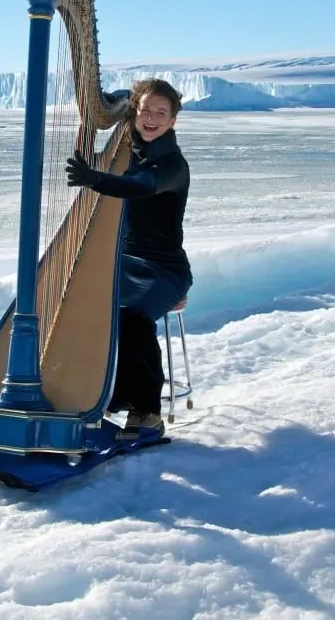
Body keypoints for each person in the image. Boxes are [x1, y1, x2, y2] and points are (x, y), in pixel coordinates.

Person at [66, 79, 192, 439]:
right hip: (123, 262)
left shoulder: (172, 165)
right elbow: (119, 100)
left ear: (172, 121)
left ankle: (146, 411)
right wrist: (114, 103)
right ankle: (91, 392)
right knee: (78, 301)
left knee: (131, 317)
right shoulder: (130, 148)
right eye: (146, 110)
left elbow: (140, 186)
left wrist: (97, 180)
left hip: (163, 269)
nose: (151, 118)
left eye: (161, 113)